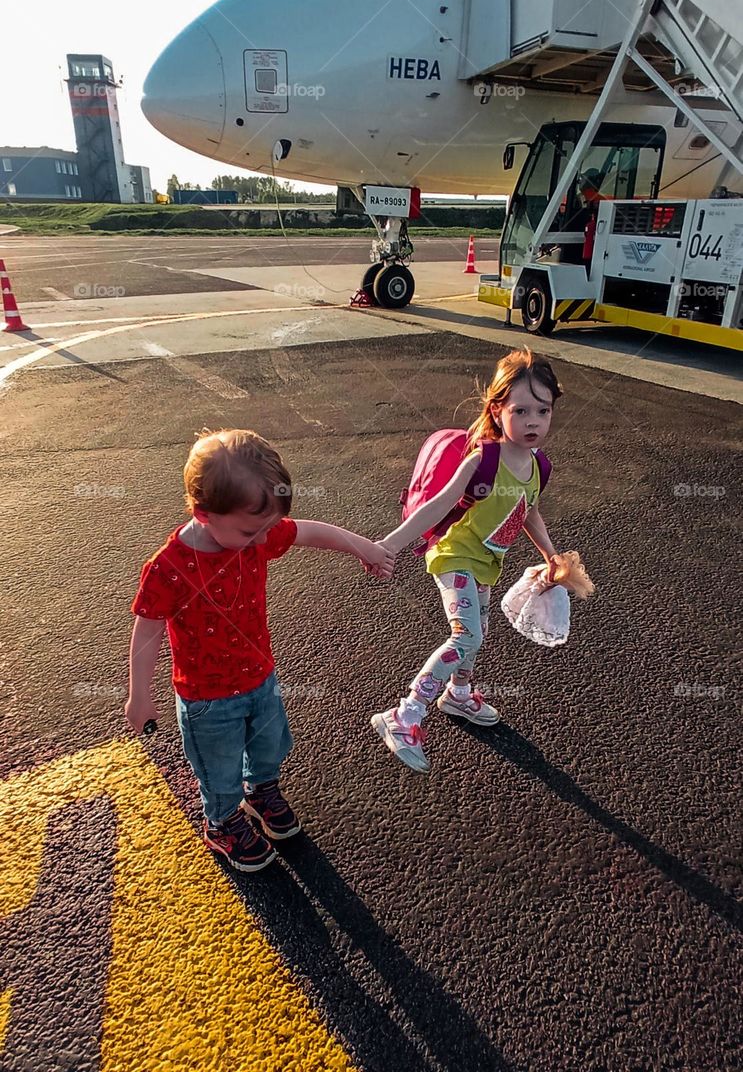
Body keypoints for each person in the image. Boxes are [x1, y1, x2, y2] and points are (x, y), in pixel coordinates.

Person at [126, 428, 393, 872]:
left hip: (259, 676)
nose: (265, 538)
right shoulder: (169, 568)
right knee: (218, 767)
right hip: (206, 699)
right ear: (203, 513)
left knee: (268, 745)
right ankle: (223, 820)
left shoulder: (254, 532)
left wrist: (362, 546)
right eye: (253, 530)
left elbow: (307, 531)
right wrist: (139, 694)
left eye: (268, 527)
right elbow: (147, 630)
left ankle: (261, 788)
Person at [371, 349, 563, 773]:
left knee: (481, 632)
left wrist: (550, 554)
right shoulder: (484, 458)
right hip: (454, 555)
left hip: (485, 562)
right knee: (467, 636)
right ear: (497, 410)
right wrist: (391, 545)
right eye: (521, 410)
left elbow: (527, 509)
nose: (534, 421)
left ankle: (458, 695)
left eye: (543, 410)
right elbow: (438, 506)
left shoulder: (538, 467)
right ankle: (404, 714)